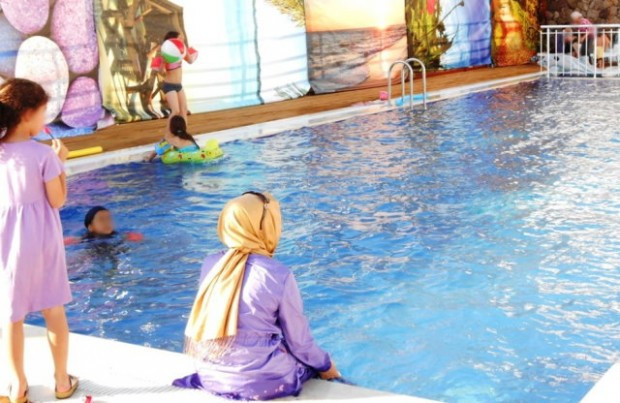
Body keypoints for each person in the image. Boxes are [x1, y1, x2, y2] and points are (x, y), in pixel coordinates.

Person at [173, 192, 340, 400]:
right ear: (266, 227)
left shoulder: (211, 264)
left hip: (211, 376)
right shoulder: (279, 274)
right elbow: (299, 342)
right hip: (261, 382)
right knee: (312, 366)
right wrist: (326, 366)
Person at [0, 78, 78, 402]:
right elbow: (57, 200)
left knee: (11, 316)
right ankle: (61, 381)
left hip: (6, 243)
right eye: (44, 113)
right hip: (42, 242)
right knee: (53, 310)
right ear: (28, 113)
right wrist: (61, 163)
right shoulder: (44, 155)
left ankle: (17, 386)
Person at [150, 31, 198, 121]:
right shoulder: (164, 53)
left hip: (179, 85)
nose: (182, 40)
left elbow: (190, 61)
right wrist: (163, 62)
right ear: (172, 40)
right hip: (169, 85)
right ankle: (169, 130)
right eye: (180, 38)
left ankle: (183, 129)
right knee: (175, 111)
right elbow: (162, 73)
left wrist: (193, 52)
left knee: (184, 110)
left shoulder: (182, 50)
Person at [63, 206, 144, 245]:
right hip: (94, 253)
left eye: (108, 219)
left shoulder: (120, 236)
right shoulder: (85, 239)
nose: (106, 222)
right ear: (90, 227)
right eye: (101, 219)